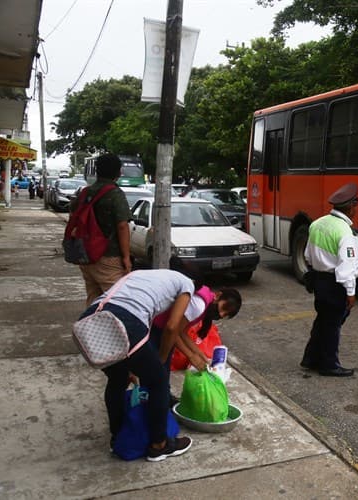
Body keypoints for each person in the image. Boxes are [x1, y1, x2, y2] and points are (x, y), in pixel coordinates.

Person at [77, 269, 237, 461]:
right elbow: (171, 327)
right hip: (127, 322)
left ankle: (118, 438)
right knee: (158, 381)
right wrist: (161, 359)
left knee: (118, 379)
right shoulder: (186, 285)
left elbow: (177, 329)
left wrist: (196, 353)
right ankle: (159, 445)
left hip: (91, 321)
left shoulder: (144, 274)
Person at [300, 183, 358, 377]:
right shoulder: (345, 232)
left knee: (323, 321)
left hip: (320, 281)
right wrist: (351, 293)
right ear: (351, 207)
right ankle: (329, 365)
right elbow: (346, 268)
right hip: (336, 284)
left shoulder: (317, 223)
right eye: (356, 206)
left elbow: (308, 255)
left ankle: (310, 359)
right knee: (332, 325)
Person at [150, 284, 243, 404]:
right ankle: (157, 403)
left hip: (163, 328)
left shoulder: (205, 305)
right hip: (156, 328)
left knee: (162, 370)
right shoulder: (199, 304)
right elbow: (173, 331)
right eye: (223, 308)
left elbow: (182, 332)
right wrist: (191, 355)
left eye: (225, 315)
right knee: (157, 369)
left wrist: (201, 356)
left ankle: (163, 398)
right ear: (218, 295)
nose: (221, 314)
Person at [72, 153, 132, 305]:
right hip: (108, 256)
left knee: (93, 298)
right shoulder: (115, 193)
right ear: (118, 172)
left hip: (85, 254)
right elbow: (122, 226)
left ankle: (89, 326)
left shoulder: (85, 192)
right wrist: (126, 257)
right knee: (116, 302)